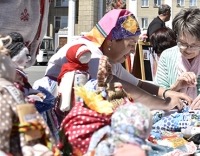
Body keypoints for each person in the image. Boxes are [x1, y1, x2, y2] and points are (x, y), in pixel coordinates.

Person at [43, 9, 192, 114]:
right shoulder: (91, 53)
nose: (134, 51)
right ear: (110, 41)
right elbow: (117, 88)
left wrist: (168, 93)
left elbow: (137, 84)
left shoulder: (109, 59)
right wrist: (165, 104)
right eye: (131, 44)